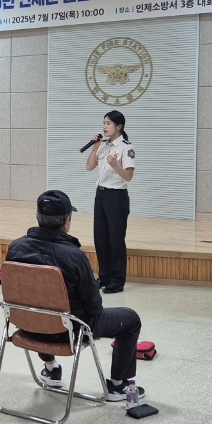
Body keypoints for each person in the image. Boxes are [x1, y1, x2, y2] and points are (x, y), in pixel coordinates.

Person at [5, 190, 144, 401]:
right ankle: (118, 385)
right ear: (67, 222)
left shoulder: (16, 248)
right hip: (69, 332)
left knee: (40, 309)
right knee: (130, 319)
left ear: (38, 217)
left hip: (27, 326)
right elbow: (94, 306)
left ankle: (51, 368)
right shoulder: (74, 256)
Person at [85, 109, 134, 293]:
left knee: (116, 239)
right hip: (101, 195)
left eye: (108, 123)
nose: (104, 127)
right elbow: (89, 166)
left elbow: (128, 176)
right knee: (100, 238)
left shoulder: (126, 147)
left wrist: (115, 165)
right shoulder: (103, 145)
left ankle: (117, 280)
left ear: (119, 126)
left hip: (117, 197)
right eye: (103, 123)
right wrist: (95, 147)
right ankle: (104, 277)